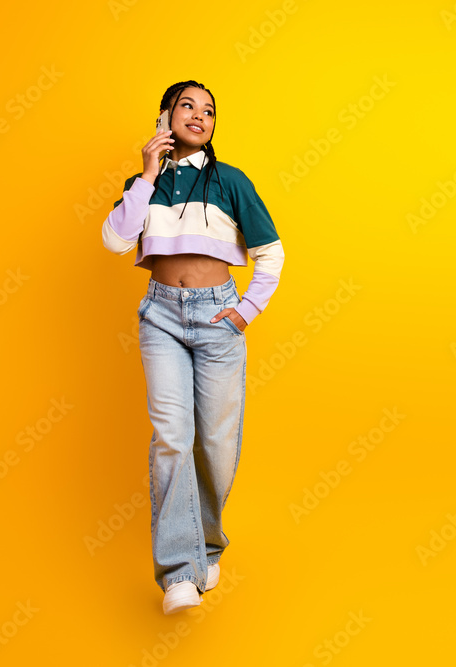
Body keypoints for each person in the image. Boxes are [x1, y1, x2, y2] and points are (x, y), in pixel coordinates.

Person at [101, 80, 285, 614]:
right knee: (172, 439)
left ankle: (207, 546)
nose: (199, 116)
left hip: (217, 316)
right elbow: (115, 240)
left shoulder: (230, 181)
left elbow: (271, 253)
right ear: (165, 117)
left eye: (209, 111)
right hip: (160, 316)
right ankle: (180, 572)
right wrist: (147, 174)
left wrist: (245, 310)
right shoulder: (144, 185)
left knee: (217, 446)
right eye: (187, 106)